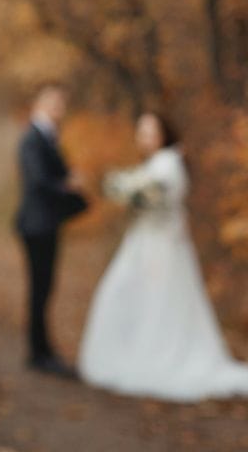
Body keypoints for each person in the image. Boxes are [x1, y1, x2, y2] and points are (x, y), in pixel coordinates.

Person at [78, 112, 248, 400]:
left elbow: (150, 200)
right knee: (130, 298)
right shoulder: (159, 163)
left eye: (149, 132)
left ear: (163, 133)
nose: (143, 138)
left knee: (153, 302)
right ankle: (135, 353)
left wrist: (118, 189)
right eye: (141, 131)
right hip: (145, 243)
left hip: (160, 248)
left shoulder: (168, 166)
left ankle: (154, 359)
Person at [15, 83, 88, 377]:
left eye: (63, 103)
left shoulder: (46, 137)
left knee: (44, 288)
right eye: (56, 103)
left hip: (45, 223)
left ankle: (41, 350)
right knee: (40, 288)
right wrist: (68, 185)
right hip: (36, 224)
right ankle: (39, 353)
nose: (61, 109)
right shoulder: (32, 138)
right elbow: (38, 181)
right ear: (41, 103)